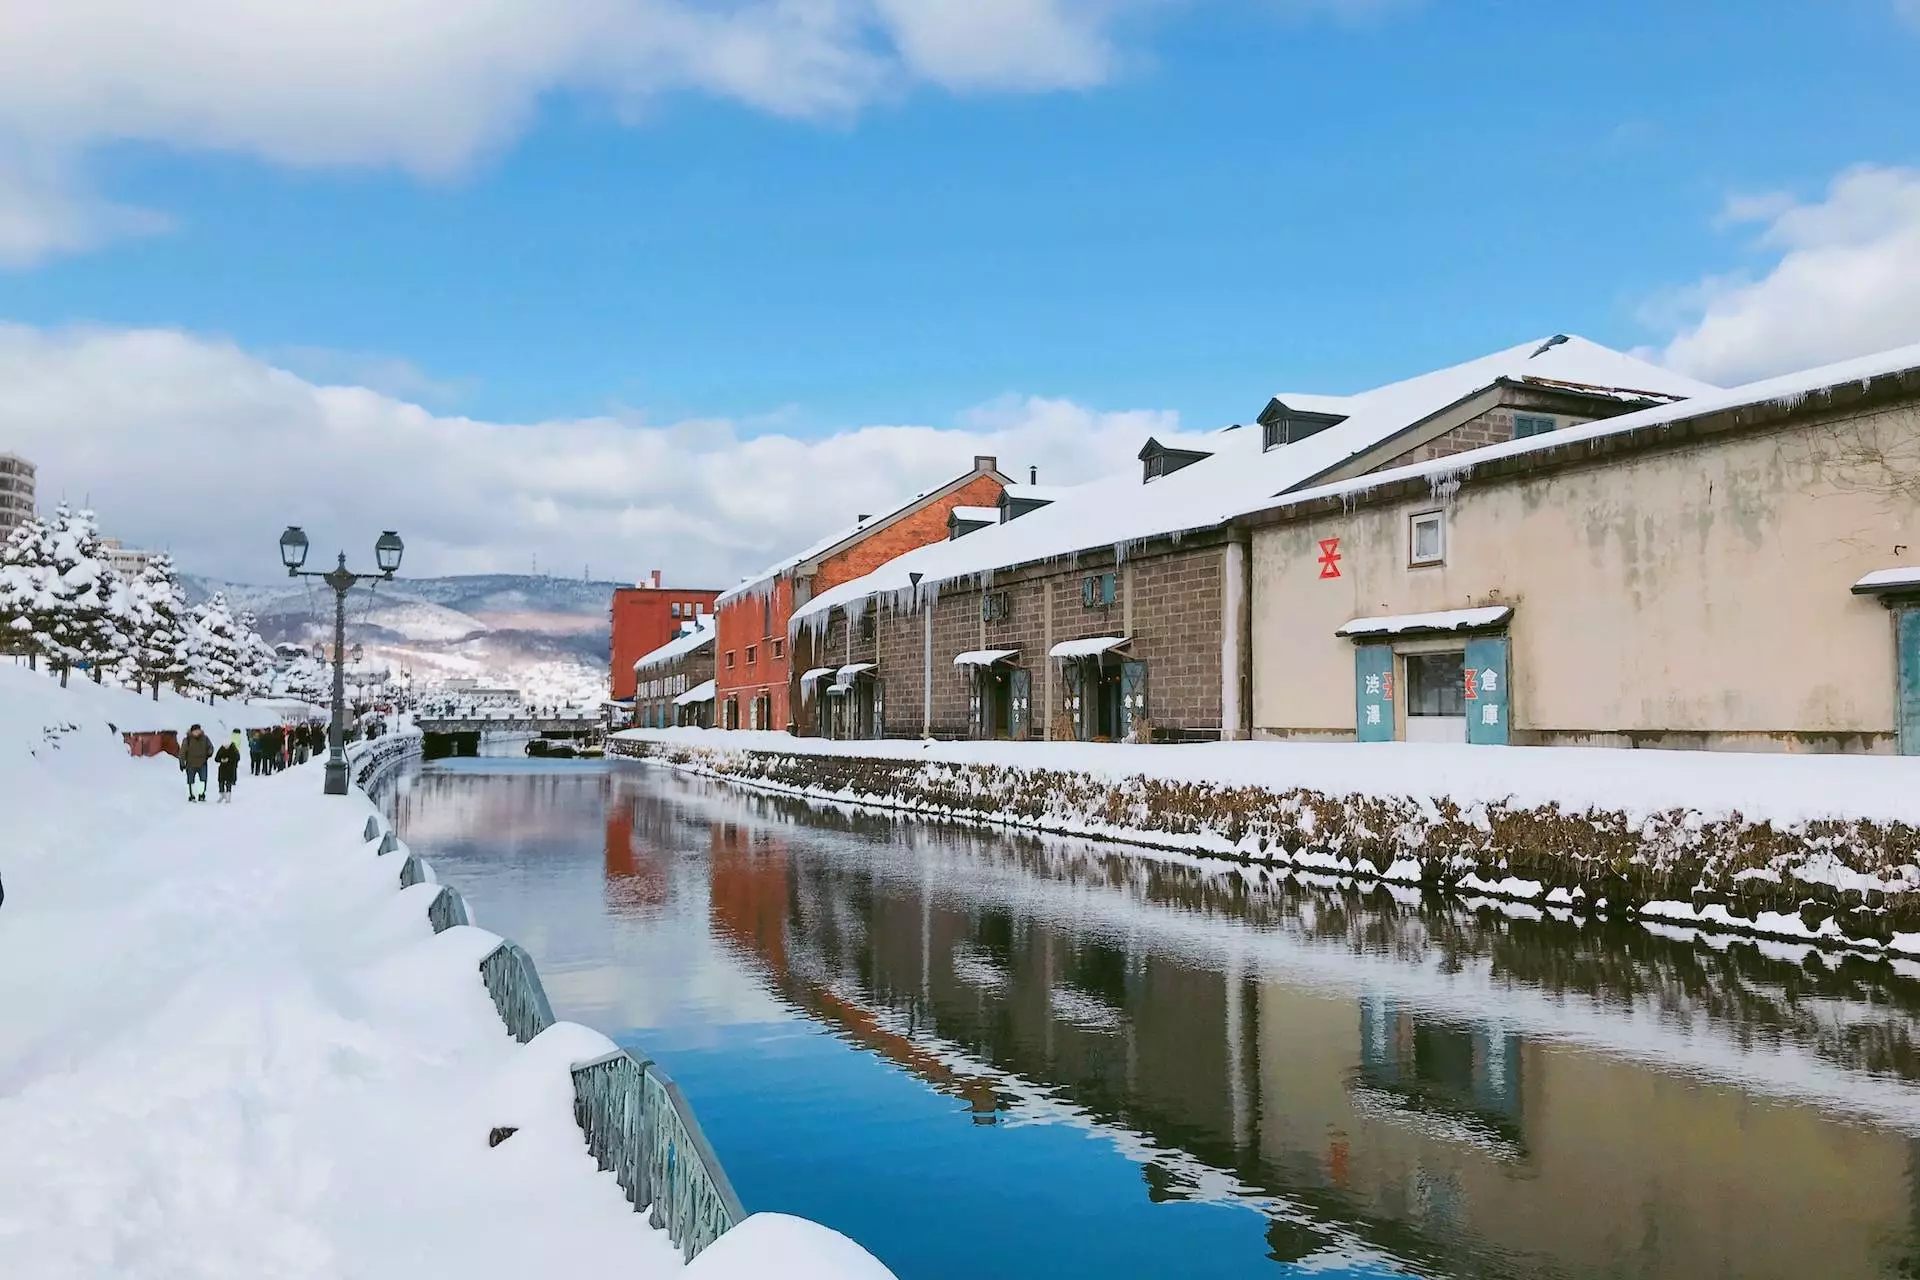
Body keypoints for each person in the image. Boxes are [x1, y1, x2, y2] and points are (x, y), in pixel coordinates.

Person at [179, 724, 213, 803]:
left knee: (203, 780)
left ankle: (201, 795)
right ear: (192, 731)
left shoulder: (205, 738)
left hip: (202, 763)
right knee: (191, 781)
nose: (197, 732)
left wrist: (209, 753)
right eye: (195, 731)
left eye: (198, 730)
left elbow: (210, 747)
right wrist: (182, 763)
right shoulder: (187, 739)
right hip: (191, 764)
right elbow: (182, 752)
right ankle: (192, 795)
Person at [215, 731, 242, 804]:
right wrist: (221, 760)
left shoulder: (233, 748)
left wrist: (229, 760)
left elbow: (237, 757)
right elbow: (216, 758)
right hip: (222, 768)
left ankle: (228, 796)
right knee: (221, 782)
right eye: (224, 745)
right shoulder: (221, 749)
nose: (226, 747)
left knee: (228, 783)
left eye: (227, 745)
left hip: (230, 768)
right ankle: (221, 795)